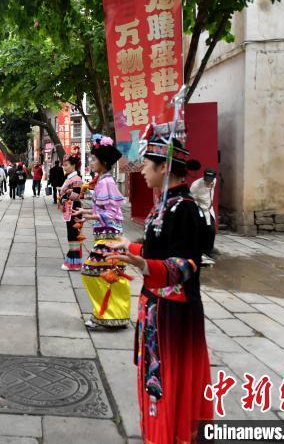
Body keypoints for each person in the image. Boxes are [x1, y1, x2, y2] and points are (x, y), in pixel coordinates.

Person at [106, 134, 212, 443]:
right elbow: (159, 251)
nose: (141, 170)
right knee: (155, 382)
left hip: (174, 316)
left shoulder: (185, 210)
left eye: (147, 165)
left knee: (169, 383)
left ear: (164, 167)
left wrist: (140, 264)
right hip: (156, 310)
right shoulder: (166, 206)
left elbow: (186, 264)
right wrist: (132, 247)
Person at [74, 137, 129, 329]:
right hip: (107, 236)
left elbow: (112, 214)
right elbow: (103, 210)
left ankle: (107, 315)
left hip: (110, 238)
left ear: (103, 162)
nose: (91, 162)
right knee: (108, 275)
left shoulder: (106, 182)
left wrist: (88, 217)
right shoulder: (104, 181)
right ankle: (112, 315)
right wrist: (85, 212)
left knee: (92, 272)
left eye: (94, 159)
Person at [59, 155, 84, 271]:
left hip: (74, 208)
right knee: (72, 234)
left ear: (73, 165)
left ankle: (74, 262)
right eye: (64, 165)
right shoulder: (70, 178)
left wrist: (65, 193)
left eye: (66, 165)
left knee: (73, 234)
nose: (65, 167)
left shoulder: (76, 179)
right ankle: (74, 261)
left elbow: (76, 195)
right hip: (69, 208)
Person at [191, 168, 217, 266]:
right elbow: (191, 199)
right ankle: (199, 252)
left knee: (212, 230)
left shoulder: (214, 181)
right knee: (201, 230)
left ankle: (208, 251)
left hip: (209, 209)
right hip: (200, 210)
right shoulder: (196, 185)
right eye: (206, 180)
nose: (208, 182)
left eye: (210, 180)